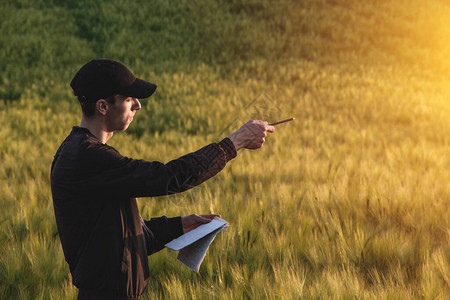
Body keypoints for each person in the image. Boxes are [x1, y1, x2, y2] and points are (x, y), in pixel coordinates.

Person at [50, 59, 274, 299]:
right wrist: (235, 143)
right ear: (103, 107)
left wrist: (180, 226)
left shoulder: (83, 153)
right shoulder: (87, 157)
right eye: (129, 99)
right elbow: (169, 177)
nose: (138, 105)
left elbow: (122, 242)